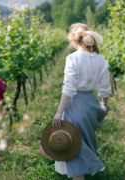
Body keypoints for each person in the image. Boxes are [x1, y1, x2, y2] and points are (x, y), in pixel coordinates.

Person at [40, 23, 111, 180]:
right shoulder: (101, 59)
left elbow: (69, 88)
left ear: (73, 40)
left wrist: (59, 112)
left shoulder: (72, 58)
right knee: (83, 139)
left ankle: (79, 174)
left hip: (76, 105)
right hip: (91, 104)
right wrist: (104, 105)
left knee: (74, 145)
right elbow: (105, 87)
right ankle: (85, 170)